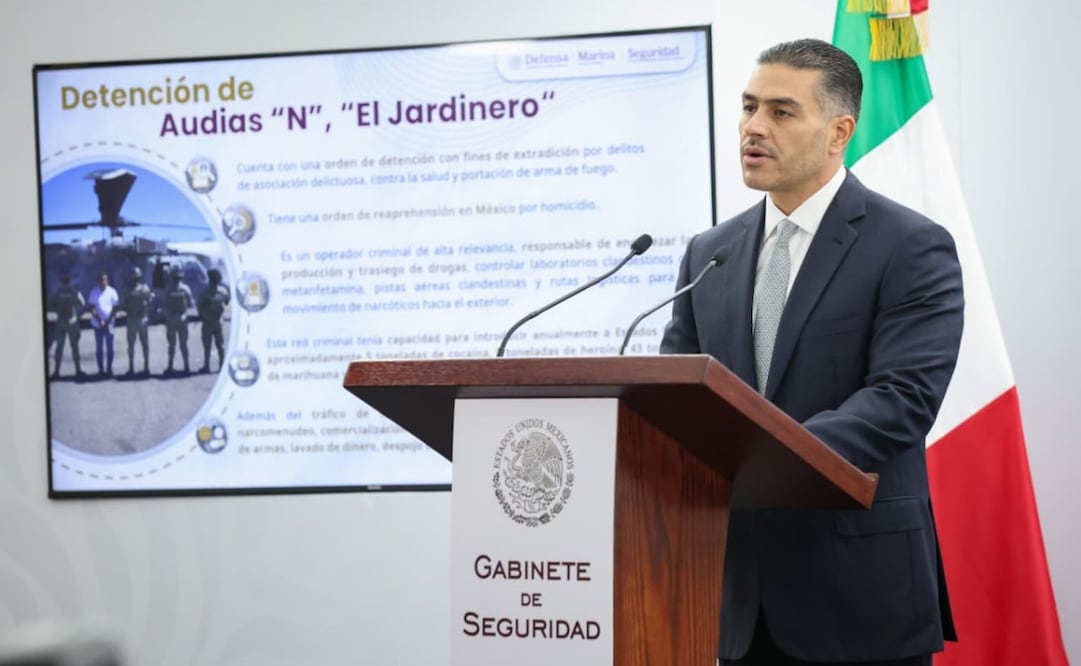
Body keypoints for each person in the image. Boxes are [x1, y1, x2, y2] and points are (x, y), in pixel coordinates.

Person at [660, 39, 963, 666]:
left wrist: (761, 458)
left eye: (781, 111)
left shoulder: (909, 245)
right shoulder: (708, 253)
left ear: (838, 131)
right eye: (748, 108)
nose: (752, 128)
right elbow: (678, 396)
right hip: (734, 600)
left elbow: (902, 398)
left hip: (856, 592)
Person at [47, 273, 85, 378]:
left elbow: (50, 305)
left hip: (60, 321)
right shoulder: (74, 292)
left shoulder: (57, 292)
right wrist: (78, 314)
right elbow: (82, 303)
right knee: (75, 347)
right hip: (72, 321)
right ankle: (78, 370)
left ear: (61, 281)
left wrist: (58, 310)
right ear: (69, 281)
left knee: (59, 347)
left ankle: (56, 372)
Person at [197, 268, 230, 372]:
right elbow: (227, 302)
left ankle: (207, 366)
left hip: (208, 321)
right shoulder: (223, 291)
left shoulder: (205, 292)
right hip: (219, 320)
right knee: (220, 344)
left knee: (207, 345)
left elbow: (199, 305)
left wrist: (202, 315)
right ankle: (222, 365)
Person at [86, 272, 120, 376]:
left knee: (110, 348)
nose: (103, 282)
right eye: (101, 280)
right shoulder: (94, 292)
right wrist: (99, 320)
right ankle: (101, 369)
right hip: (98, 325)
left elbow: (115, 308)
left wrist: (108, 321)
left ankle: (109, 368)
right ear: (98, 282)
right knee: (99, 348)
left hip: (109, 324)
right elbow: (91, 308)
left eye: (105, 280)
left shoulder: (112, 291)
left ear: (107, 281)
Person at [162, 265, 193, 374]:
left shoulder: (184, 289)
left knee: (183, 345)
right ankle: (171, 366)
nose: (176, 279)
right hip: (172, 320)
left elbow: (190, 304)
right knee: (172, 345)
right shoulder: (169, 289)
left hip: (181, 319)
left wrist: (185, 314)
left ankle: (186, 366)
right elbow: (164, 305)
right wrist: (168, 316)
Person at [122, 266, 152, 375]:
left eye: (136, 276)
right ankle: (131, 368)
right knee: (131, 346)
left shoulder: (145, 288)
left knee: (145, 345)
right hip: (132, 319)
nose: (135, 278)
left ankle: (146, 368)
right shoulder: (127, 289)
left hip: (142, 319)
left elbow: (149, 302)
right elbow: (124, 304)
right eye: (134, 277)